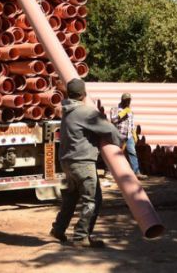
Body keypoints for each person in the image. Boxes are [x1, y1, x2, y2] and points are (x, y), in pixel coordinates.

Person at [51, 78, 121, 248]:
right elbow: (110, 130)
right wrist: (118, 146)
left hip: (67, 162)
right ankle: (81, 236)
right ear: (83, 94)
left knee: (72, 197)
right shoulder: (85, 112)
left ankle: (58, 229)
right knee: (93, 200)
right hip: (82, 162)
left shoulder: (67, 110)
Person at [109, 93, 147, 179]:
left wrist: (134, 134)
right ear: (122, 100)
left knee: (132, 153)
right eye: (126, 100)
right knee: (115, 153)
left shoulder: (130, 111)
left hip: (129, 136)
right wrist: (122, 113)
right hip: (118, 135)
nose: (128, 102)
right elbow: (113, 120)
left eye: (129, 100)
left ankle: (136, 172)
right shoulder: (115, 108)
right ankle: (111, 172)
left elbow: (132, 124)